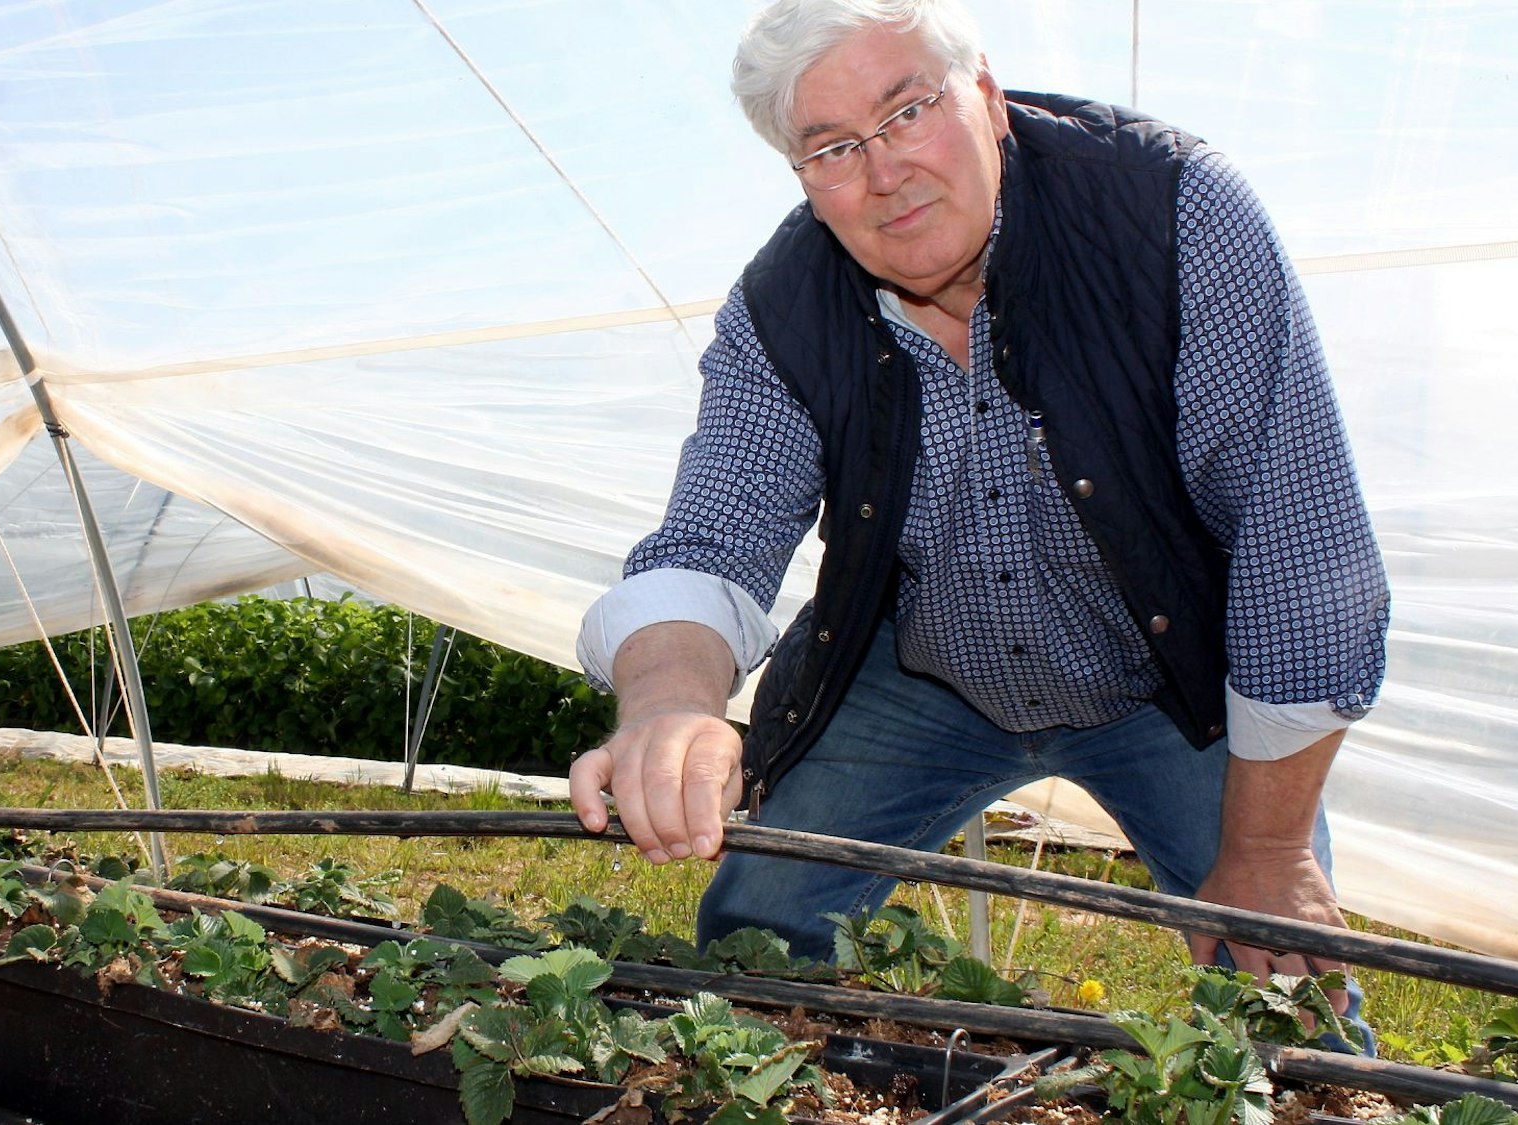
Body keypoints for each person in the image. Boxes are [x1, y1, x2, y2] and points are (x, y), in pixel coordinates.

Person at [565, 0, 1390, 1026]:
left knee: (1282, 972)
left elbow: (1298, 545)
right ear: (800, 176)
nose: (882, 173)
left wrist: (1265, 850)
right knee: (760, 934)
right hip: (923, 672)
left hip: (1168, 680)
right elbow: (707, 543)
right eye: (829, 149)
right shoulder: (783, 308)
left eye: (907, 110)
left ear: (988, 99)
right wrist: (665, 709)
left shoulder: (1169, 215)